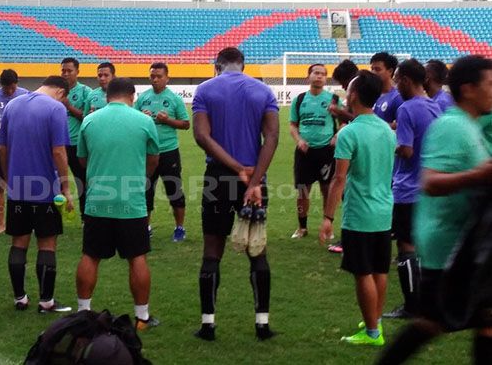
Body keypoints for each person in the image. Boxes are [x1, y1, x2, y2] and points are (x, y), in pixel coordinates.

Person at [377, 55, 492, 364]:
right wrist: (481, 175)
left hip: (466, 245)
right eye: (491, 85)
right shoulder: (451, 126)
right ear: (468, 89)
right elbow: (430, 182)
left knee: (485, 320)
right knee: (430, 323)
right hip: (447, 249)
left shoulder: (469, 125)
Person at [192, 47, 279, 341]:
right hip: (254, 179)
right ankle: (262, 324)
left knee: (212, 250)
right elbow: (273, 136)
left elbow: (202, 136)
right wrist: (253, 179)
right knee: (257, 249)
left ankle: (207, 325)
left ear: (218, 65)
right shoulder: (262, 91)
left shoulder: (205, 90)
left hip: (218, 177)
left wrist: (234, 167)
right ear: (243, 65)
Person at [75, 78, 160, 330]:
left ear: (107, 95)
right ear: (132, 96)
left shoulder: (90, 120)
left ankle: (83, 313)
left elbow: (82, 160)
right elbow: (154, 160)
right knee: (137, 257)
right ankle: (142, 317)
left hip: (98, 200)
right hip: (131, 200)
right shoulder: (144, 121)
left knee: (90, 255)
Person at [318, 70, 396, 346]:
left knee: (363, 272)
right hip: (384, 211)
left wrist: (327, 217)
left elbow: (339, 179)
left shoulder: (349, 133)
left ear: (353, 95)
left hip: (360, 214)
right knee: (380, 270)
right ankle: (375, 319)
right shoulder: (387, 129)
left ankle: (372, 333)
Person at [0, 76, 73, 313]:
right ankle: (46, 301)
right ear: (61, 92)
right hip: (45, 189)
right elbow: (59, 151)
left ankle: (20, 298)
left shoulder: (12, 105)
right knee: (47, 244)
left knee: (18, 242)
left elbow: (2, 147)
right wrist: (66, 187)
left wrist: (9, 175)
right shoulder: (56, 109)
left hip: (18, 187)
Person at [383, 59, 442, 320]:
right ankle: (431, 301)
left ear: (406, 79)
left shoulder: (407, 109)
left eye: (397, 80)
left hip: (407, 188)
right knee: (425, 247)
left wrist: (387, 140)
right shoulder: (436, 106)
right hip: (430, 186)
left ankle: (411, 306)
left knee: (406, 247)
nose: (396, 86)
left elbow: (406, 150)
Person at [135, 62, 189, 241]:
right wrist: (142, 118)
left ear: (167, 78)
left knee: (174, 190)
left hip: (168, 151)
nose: (155, 79)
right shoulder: (143, 98)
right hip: (147, 152)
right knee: (146, 190)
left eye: (159, 76)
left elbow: (186, 124)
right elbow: (132, 120)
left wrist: (168, 121)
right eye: (152, 76)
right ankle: (145, 227)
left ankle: (179, 228)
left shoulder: (174, 99)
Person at [290, 64, 342, 239]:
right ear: (308, 76)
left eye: (323, 74)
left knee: (327, 189)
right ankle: (302, 227)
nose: (319, 76)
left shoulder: (334, 99)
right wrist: (299, 140)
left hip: (326, 151)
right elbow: (292, 125)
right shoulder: (299, 100)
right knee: (302, 191)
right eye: (316, 73)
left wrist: (337, 136)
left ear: (326, 78)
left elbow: (343, 122)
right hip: (304, 152)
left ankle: (328, 226)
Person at [0, 69, 28, 234]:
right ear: (1, 85)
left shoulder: (26, 95)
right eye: (6, 89)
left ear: (16, 84)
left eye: (12, 88)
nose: (10, 91)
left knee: (25, 186)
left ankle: (25, 223)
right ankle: (1, 224)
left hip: (20, 146)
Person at [61, 58, 92, 218]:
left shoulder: (86, 92)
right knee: (54, 182)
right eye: (63, 71)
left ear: (77, 72)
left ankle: (85, 217)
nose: (65, 74)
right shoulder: (56, 91)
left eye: (69, 71)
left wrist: (69, 106)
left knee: (83, 182)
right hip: (57, 145)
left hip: (77, 145)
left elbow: (87, 117)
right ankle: (52, 216)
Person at [370, 52, 403, 127]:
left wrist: (377, 126)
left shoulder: (398, 97)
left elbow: (402, 125)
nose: (373, 72)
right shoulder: (371, 94)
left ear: (390, 71)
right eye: (372, 69)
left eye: (377, 69)